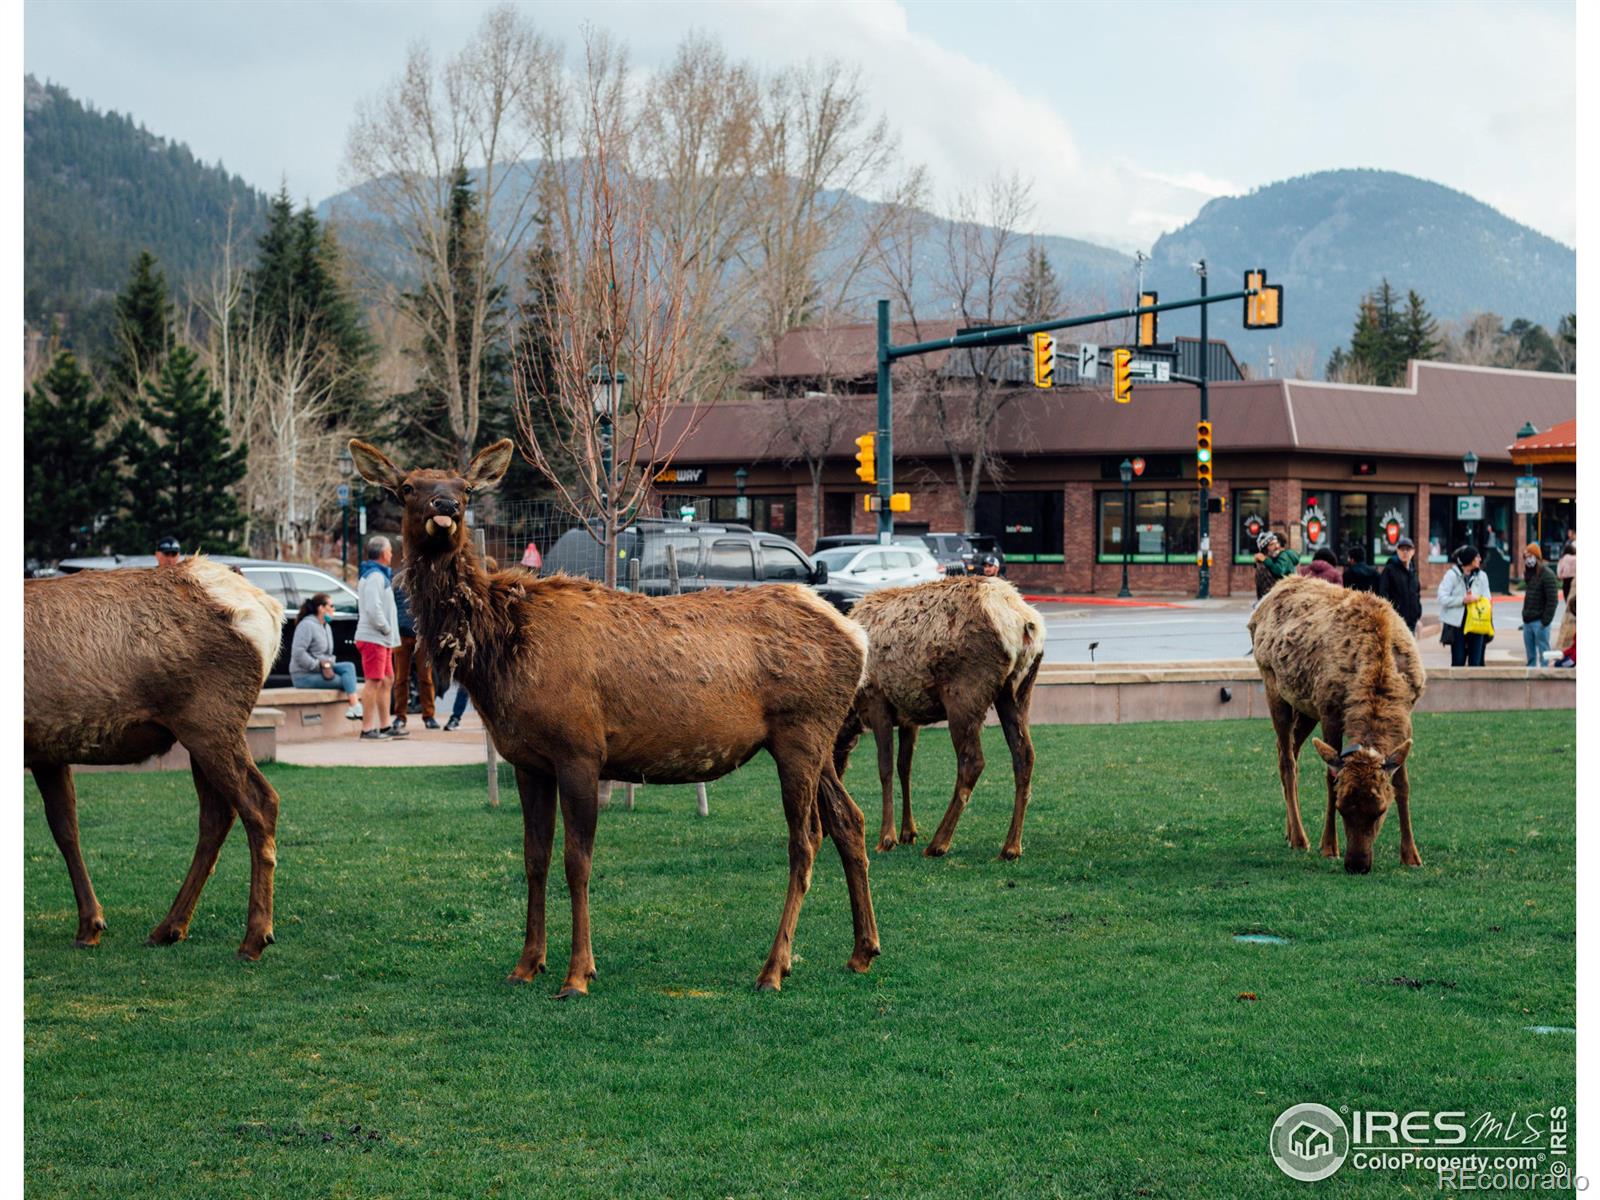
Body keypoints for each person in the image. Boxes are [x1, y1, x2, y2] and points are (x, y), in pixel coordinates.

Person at [355, 535, 407, 740]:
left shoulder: (379, 575)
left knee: (387, 680)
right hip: (373, 637)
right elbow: (372, 606)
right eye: (390, 551)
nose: (392, 554)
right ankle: (367, 728)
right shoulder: (375, 576)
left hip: (382, 640)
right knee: (374, 681)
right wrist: (385, 628)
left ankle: (385, 726)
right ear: (384, 553)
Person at [289, 593, 361, 721]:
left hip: (322, 669)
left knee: (349, 667)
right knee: (346, 681)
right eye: (331, 606)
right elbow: (298, 652)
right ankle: (355, 706)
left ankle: (353, 707)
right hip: (303, 675)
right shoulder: (306, 625)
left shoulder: (326, 626)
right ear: (321, 608)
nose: (334, 609)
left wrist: (328, 662)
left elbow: (328, 654)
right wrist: (317, 664)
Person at [390, 584, 438, 733]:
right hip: (401, 635)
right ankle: (400, 716)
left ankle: (429, 716)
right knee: (400, 679)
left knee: (426, 678)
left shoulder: (423, 579)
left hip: (422, 635)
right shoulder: (396, 582)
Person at [1437, 545, 1491, 667]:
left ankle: (1475, 686)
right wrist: (1463, 600)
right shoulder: (1452, 575)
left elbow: (1488, 599)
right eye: (1477, 557)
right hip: (1457, 625)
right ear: (1470, 560)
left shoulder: (1482, 576)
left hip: (1477, 623)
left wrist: (1477, 599)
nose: (1480, 559)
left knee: (1476, 662)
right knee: (1458, 661)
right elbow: (1442, 598)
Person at [1519, 543, 1561, 667]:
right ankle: (1530, 684)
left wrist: (1545, 621)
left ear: (1537, 557)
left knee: (1544, 656)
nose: (1528, 559)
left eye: (1530, 556)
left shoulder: (1547, 575)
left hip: (1540, 623)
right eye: (1525, 556)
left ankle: (1544, 682)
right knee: (1530, 658)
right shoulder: (1530, 574)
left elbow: (1552, 600)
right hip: (1528, 621)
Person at [1377, 536, 1423, 633]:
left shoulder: (1413, 571)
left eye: (1408, 549)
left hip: (1411, 622)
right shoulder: (1389, 570)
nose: (1405, 552)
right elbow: (1383, 594)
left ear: (1413, 552)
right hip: (1395, 622)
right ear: (1397, 551)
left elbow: (1416, 594)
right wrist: (1389, 615)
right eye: (1402, 549)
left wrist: (1418, 615)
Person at [1253, 531, 1299, 599]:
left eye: (1276, 543)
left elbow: (1279, 571)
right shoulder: (1265, 565)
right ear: (1265, 549)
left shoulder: (1281, 557)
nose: (1277, 546)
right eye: (1272, 544)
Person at [1557, 535, 1576, 601]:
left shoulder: (1563, 559)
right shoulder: (1576, 558)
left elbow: (1559, 572)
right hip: (1575, 580)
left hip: (1566, 581)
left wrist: (1560, 577)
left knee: (1567, 599)